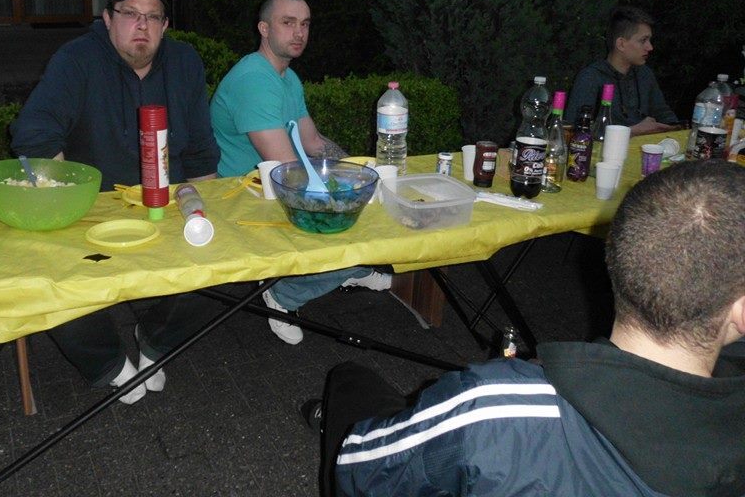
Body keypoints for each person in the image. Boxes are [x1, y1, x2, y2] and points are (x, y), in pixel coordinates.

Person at [314, 160, 745, 496]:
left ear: (615, 255)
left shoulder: (496, 406)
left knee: (351, 382)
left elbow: (361, 472)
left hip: (443, 442)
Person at [10, 0, 220, 404]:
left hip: (169, 203)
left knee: (228, 265)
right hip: (93, 211)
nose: (141, 26)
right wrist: (66, 206)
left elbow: (200, 151)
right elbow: (33, 134)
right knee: (47, 276)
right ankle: (108, 362)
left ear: (164, 26)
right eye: (130, 14)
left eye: (153, 17)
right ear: (108, 19)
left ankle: (155, 339)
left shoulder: (184, 63)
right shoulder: (76, 60)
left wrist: (210, 217)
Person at [210, 0, 391, 346]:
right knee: (344, 224)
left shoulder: (286, 78)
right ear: (264, 29)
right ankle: (285, 294)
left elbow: (313, 142)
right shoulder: (254, 79)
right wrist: (346, 192)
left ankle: (348, 268)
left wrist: (362, 171)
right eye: (287, 22)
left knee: (370, 203)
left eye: (305, 24)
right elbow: (285, 165)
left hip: (275, 184)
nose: (299, 32)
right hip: (244, 196)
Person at [566, 6, 681, 136]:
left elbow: (663, 113)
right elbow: (574, 130)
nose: (650, 47)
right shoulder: (591, 78)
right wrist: (632, 131)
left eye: (649, 40)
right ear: (621, 44)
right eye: (643, 40)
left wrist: (676, 128)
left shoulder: (644, 75)